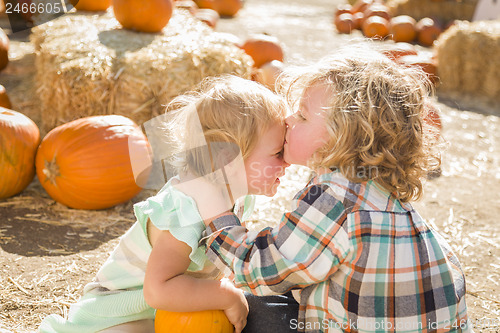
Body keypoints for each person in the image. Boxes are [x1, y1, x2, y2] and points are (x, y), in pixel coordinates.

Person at [194, 46, 471, 332]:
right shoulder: (378, 189)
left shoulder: (335, 197)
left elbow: (263, 268)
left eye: (302, 116)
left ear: (344, 137)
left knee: (255, 305)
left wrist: (218, 220)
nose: (288, 120)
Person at [38, 75, 293, 333]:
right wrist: (227, 294)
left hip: (164, 312)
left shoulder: (240, 196)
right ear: (228, 160)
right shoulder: (184, 212)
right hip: (121, 312)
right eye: (277, 153)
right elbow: (158, 290)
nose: (287, 162)